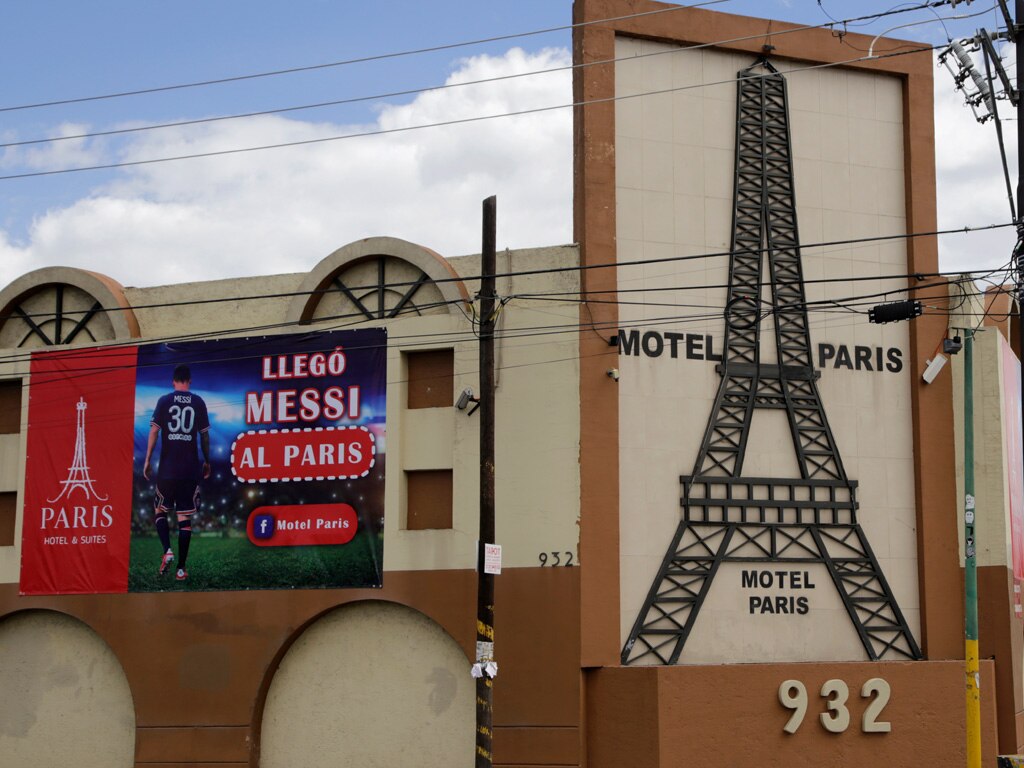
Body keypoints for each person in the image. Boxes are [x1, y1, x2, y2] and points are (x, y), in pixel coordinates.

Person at [143, 364, 211, 581]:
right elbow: (205, 437)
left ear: (173, 381)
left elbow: (154, 430)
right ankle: (181, 569)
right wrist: (207, 461)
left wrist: (147, 460)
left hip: (168, 469)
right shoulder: (199, 402)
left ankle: (167, 550)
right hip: (190, 470)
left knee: (159, 509)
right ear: (189, 381)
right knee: (185, 518)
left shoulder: (164, 400)